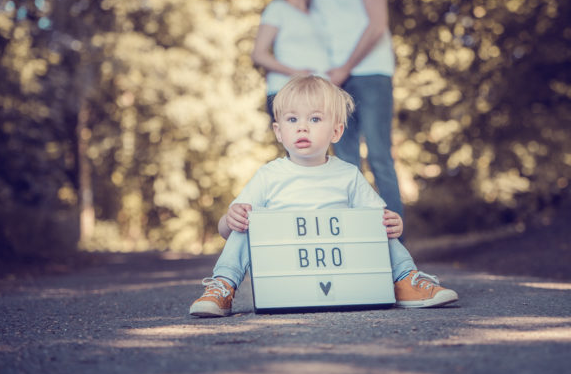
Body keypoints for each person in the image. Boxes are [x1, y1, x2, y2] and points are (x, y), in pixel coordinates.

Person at [189, 76, 458, 318]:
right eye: (292, 120)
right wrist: (229, 219)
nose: (302, 128)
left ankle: (405, 280)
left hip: (339, 265)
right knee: (244, 223)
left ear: (336, 132)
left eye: (315, 119)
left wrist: (393, 223)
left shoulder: (348, 175)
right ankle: (223, 286)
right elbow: (225, 231)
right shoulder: (268, 176)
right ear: (279, 132)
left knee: (380, 224)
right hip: (287, 266)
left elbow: (376, 219)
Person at [303, 0, 404, 218]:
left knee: (379, 155)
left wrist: (346, 67)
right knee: (344, 162)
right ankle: (356, 241)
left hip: (372, 73)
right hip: (334, 82)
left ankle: (395, 248)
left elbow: (377, 25)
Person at [251, 0, 330, 117]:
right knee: (300, 143)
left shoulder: (316, 15)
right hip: (289, 92)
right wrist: (296, 73)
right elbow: (259, 54)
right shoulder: (277, 9)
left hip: (319, 95)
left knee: (320, 143)